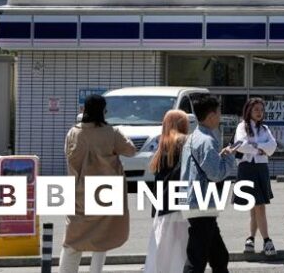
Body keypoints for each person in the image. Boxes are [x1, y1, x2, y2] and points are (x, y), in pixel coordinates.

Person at [59, 94, 137, 273]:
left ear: (84, 110)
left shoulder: (74, 133)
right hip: (105, 193)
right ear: (103, 111)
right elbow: (131, 150)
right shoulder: (112, 133)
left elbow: (68, 156)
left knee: (72, 241)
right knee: (103, 239)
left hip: (78, 193)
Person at [181, 95, 239, 273]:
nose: (220, 116)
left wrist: (219, 156)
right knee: (196, 260)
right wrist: (229, 157)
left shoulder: (193, 137)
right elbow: (216, 174)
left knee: (219, 256)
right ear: (211, 115)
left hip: (195, 202)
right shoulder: (206, 141)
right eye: (219, 112)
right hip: (202, 204)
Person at [143, 109, 191, 273]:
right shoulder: (186, 141)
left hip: (163, 204)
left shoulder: (162, 144)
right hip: (182, 201)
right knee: (183, 246)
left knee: (162, 248)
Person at [234, 97, 278, 257]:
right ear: (249, 111)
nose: (259, 113)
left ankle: (254, 239)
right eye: (256, 110)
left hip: (261, 168)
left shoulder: (265, 129)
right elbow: (240, 145)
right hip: (246, 168)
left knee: (259, 206)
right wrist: (261, 148)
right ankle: (263, 240)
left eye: (261, 110)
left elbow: (272, 147)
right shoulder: (241, 127)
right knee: (254, 206)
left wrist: (254, 147)